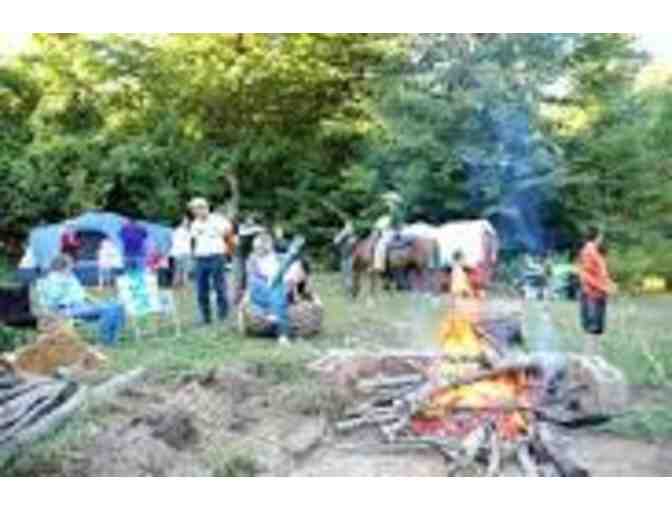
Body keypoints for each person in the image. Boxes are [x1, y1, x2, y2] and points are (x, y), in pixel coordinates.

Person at [38, 255, 126, 346]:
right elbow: (51, 303)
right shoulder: (52, 280)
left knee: (117, 306)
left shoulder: (70, 277)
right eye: (70, 266)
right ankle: (106, 341)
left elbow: (83, 294)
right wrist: (62, 285)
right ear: (62, 267)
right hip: (67, 309)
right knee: (108, 309)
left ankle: (115, 336)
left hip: (81, 306)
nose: (72, 268)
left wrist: (98, 302)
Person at [246, 233, 304, 345]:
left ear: (268, 246)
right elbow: (252, 278)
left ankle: (279, 325)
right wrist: (266, 281)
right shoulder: (253, 259)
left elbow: (294, 269)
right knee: (273, 294)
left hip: (278, 288)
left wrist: (288, 278)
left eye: (260, 247)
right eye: (256, 247)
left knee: (277, 294)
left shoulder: (278, 258)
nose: (257, 250)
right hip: (260, 290)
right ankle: (284, 333)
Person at [189, 197, 233, 325]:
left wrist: (228, 251)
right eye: (194, 210)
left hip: (216, 256)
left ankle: (223, 315)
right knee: (201, 289)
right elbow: (194, 241)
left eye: (199, 208)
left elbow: (229, 234)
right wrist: (193, 256)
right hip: (200, 258)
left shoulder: (219, 220)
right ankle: (205, 317)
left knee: (219, 286)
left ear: (206, 208)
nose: (197, 212)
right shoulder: (194, 224)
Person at [578, 227, 617, 354]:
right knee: (592, 327)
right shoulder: (588, 252)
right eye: (601, 236)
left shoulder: (595, 252)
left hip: (598, 294)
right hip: (592, 295)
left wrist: (610, 284)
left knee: (596, 328)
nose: (602, 239)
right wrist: (604, 287)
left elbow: (600, 274)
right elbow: (586, 276)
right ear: (597, 237)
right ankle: (589, 356)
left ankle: (594, 355)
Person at [372, 192, 405, 274]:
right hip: (397, 230)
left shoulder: (394, 211)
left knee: (381, 244)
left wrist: (383, 227)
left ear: (392, 202)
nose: (386, 202)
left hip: (394, 231)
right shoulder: (396, 210)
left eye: (388, 201)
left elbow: (392, 223)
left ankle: (379, 266)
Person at [170, 217, 192, 288]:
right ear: (182, 222)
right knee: (183, 269)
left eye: (187, 221)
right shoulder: (183, 232)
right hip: (182, 252)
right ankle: (183, 284)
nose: (187, 222)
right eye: (185, 221)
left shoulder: (175, 231)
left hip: (179, 252)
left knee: (179, 269)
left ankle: (177, 284)